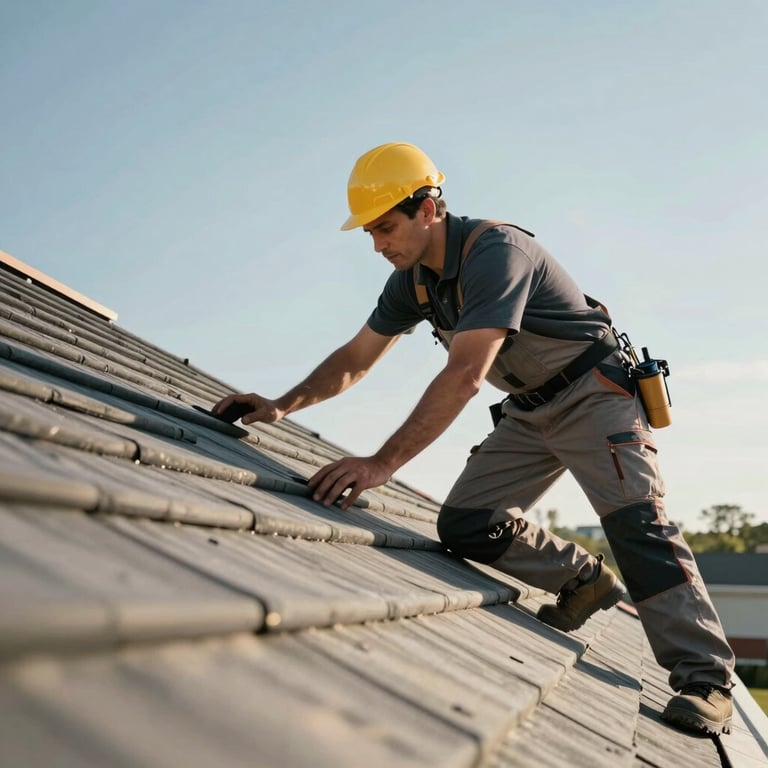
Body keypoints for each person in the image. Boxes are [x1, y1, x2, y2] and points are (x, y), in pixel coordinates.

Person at [213, 142, 735, 736]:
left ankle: (704, 676)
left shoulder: (496, 252)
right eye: (370, 234)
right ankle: (581, 580)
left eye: (386, 227)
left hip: (594, 395)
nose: (378, 244)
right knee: (466, 523)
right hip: (530, 411)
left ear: (429, 208)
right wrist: (281, 404)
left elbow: (465, 376)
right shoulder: (412, 282)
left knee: (638, 524)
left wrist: (382, 463)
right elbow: (357, 357)